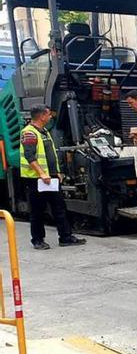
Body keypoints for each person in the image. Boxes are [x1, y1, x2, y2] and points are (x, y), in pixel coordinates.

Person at [20, 107, 86, 250]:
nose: (51, 117)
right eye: (49, 114)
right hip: (37, 179)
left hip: (51, 178)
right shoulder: (29, 133)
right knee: (37, 210)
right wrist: (42, 173)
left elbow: (49, 155)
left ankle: (66, 237)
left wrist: (56, 172)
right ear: (42, 116)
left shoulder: (44, 132)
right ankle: (37, 240)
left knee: (59, 207)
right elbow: (29, 156)